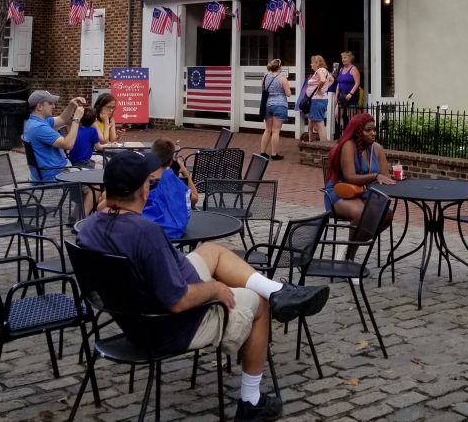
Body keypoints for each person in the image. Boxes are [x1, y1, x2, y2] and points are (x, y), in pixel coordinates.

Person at [77, 152, 331, 422]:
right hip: (170, 325)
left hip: (135, 316)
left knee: (211, 251)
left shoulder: (89, 228)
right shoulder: (144, 233)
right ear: (143, 190)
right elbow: (178, 301)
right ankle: (251, 401)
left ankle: (278, 291)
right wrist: (215, 290)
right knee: (259, 303)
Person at [323, 113, 395, 256]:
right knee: (362, 214)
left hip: (365, 193)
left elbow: (385, 177)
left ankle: (347, 248)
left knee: (386, 215)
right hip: (341, 192)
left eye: (374, 130)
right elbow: (350, 177)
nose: (373, 133)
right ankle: (349, 257)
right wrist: (375, 176)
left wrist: (393, 178)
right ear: (357, 131)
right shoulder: (349, 145)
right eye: (368, 130)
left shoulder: (377, 149)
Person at [22, 90, 86, 181]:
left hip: (53, 170)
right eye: (50, 103)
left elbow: (62, 119)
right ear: (39, 106)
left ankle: (78, 194)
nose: (54, 106)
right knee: (96, 182)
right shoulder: (39, 127)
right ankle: (78, 195)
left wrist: (71, 104)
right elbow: (68, 144)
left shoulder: (36, 121)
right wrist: (76, 119)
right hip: (54, 174)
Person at [143, 136, 199, 238]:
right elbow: (195, 198)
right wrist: (185, 172)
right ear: (170, 162)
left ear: (151, 156)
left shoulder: (142, 179)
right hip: (171, 230)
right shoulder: (173, 182)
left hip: (145, 230)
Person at [258, 59, 291, 161]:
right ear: (279, 67)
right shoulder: (282, 79)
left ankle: (263, 152)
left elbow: (263, 90)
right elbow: (288, 94)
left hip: (267, 105)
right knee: (276, 131)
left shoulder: (265, 77)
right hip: (280, 105)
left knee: (268, 130)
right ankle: (274, 153)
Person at [303, 56, 332, 143]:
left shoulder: (319, 70)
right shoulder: (324, 71)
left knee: (320, 124)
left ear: (317, 63)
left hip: (317, 100)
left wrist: (319, 90)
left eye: (312, 62)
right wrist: (325, 89)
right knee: (311, 122)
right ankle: (310, 142)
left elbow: (323, 80)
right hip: (318, 100)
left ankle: (323, 146)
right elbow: (332, 80)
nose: (311, 64)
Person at [332, 51, 361, 128]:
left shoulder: (353, 69)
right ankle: (343, 134)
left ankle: (351, 135)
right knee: (337, 114)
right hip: (342, 95)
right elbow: (339, 83)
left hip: (352, 95)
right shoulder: (341, 69)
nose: (343, 59)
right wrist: (336, 96)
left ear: (350, 59)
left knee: (350, 116)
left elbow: (357, 83)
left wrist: (351, 94)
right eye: (342, 58)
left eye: (345, 57)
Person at [66, 102, 100, 166]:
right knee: (104, 168)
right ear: (95, 120)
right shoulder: (93, 130)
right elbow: (98, 147)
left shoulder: (76, 129)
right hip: (83, 162)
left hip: (72, 161)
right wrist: (110, 146)